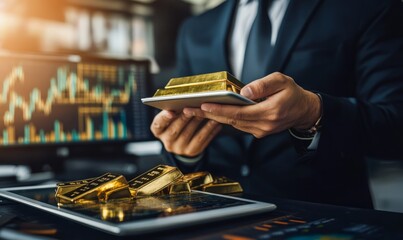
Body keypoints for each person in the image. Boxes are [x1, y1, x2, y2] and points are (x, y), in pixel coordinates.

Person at [151, 0, 403, 208]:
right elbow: (184, 131)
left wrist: (314, 111)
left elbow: (395, 126)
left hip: (320, 215)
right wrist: (184, 155)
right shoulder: (195, 29)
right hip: (216, 217)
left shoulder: (367, 8)